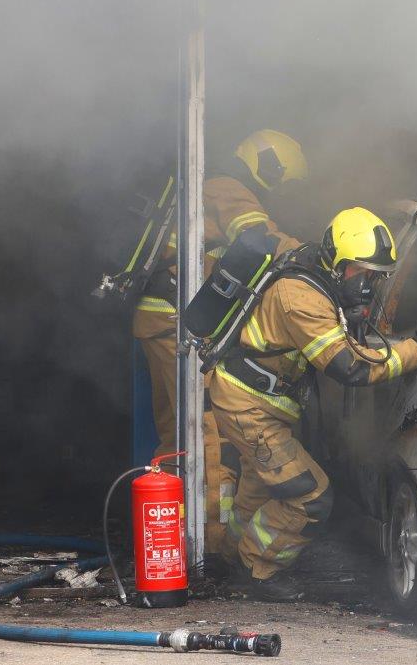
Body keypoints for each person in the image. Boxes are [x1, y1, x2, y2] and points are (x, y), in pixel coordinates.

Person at [208, 206, 417, 601]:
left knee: (256, 490)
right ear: (337, 265)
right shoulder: (300, 300)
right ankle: (257, 570)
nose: (370, 286)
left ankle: (225, 556)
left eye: (377, 277)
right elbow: (351, 368)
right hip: (248, 406)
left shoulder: (315, 270)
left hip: (263, 400)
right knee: (310, 495)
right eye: (363, 273)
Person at [132, 129, 306, 558]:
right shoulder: (230, 187)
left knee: (176, 431)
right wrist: (309, 255)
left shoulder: (210, 185)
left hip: (163, 321)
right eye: (284, 179)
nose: (284, 188)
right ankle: (206, 548)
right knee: (203, 432)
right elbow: (256, 238)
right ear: (271, 165)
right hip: (178, 324)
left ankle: (169, 540)